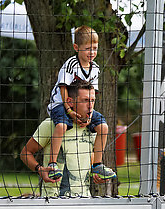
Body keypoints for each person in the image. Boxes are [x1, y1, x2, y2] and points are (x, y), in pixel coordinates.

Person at [46, 25, 116, 185]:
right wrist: (69, 110)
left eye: (95, 48)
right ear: (76, 48)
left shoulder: (95, 68)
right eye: (87, 49)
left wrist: (89, 114)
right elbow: (63, 88)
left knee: (103, 127)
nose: (92, 52)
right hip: (61, 103)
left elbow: (92, 93)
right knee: (61, 126)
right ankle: (52, 164)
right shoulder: (71, 64)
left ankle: (97, 164)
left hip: (82, 105)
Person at [21, 82, 109, 197]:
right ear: (70, 102)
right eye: (85, 100)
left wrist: (96, 174)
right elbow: (25, 153)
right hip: (52, 199)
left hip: (84, 199)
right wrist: (40, 169)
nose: (90, 106)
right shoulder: (51, 125)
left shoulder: (94, 129)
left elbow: (88, 160)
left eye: (92, 100)